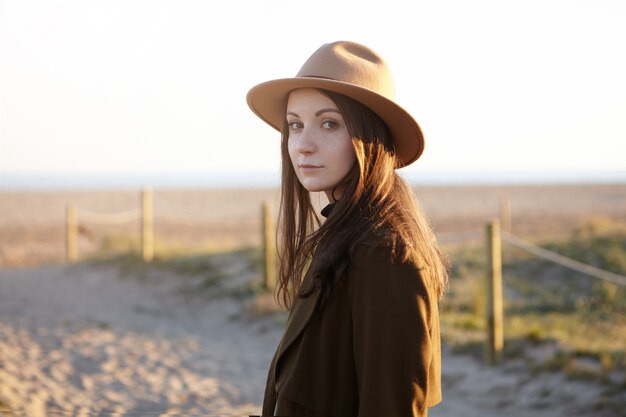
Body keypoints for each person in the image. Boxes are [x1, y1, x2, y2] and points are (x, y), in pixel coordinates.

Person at [246, 40, 448, 417]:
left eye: (329, 123)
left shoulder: (384, 254)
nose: (303, 145)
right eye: (295, 125)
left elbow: (392, 407)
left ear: (369, 135)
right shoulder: (344, 237)